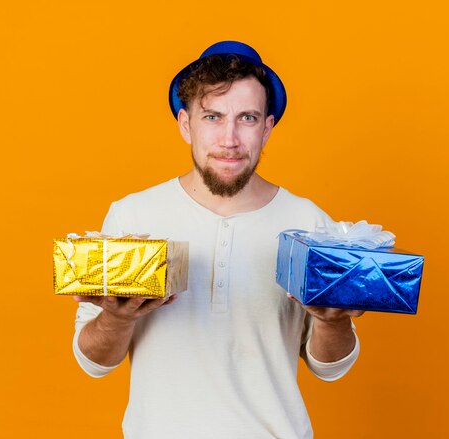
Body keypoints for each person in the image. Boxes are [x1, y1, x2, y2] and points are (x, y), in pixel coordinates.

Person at [72, 41, 364, 438]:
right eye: (212, 116)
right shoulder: (132, 217)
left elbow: (330, 368)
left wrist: (332, 324)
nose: (229, 138)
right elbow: (94, 362)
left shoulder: (309, 223)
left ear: (267, 127)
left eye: (247, 117)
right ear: (185, 124)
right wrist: (116, 317)